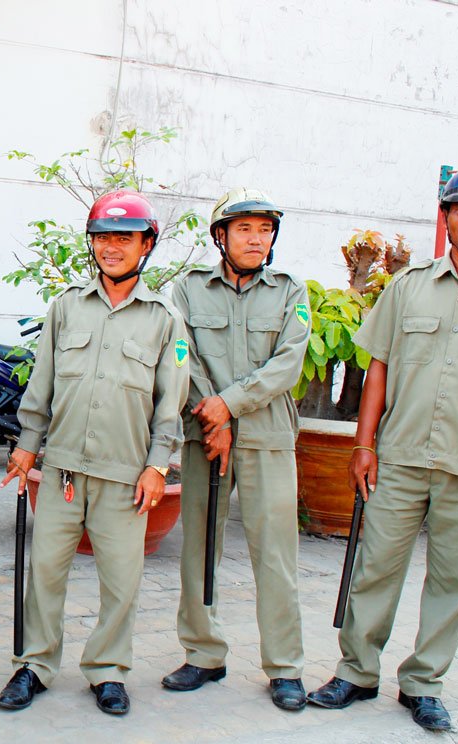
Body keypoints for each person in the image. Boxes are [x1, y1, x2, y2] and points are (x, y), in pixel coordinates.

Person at [307, 167, 458, 732]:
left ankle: (423, 683)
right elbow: (379, 369)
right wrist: (363, 444)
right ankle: (356, 672)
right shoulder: (408, 285)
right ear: (447, 217)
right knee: (374, 569)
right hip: (400, 459)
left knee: (454, 580)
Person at [0, 190, 189, 716]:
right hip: (62, 469)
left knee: (121, 581)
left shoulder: (164, 319)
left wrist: (157, 466)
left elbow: (170, 403)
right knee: (45, 573)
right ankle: (34, 665)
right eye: (103, 237)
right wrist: (26, 448)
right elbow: (42, 384)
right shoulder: (66, 307)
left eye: (125, 238)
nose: (112, 247)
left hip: (124, 476)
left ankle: (108, 670)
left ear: (146, 245)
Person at [164, 187, 310, 711]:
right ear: (220, 236)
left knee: (276, 555)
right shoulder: (188, 289)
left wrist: (228, 405)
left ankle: (285, 667)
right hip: (204, 434)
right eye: (244, 229)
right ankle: (203, 654)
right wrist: (212, 414)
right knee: (199, 549)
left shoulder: (289, 291)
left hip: (267, 438)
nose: (256, 239)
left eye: (265, 230)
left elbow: (287, 363)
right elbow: (181, 354)